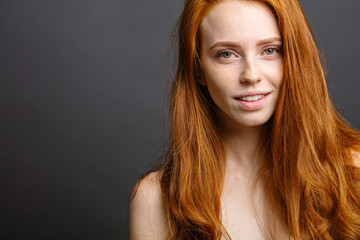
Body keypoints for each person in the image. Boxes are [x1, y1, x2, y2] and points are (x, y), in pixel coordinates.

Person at [129, 0, 360, 239]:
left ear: (294, 57)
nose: (251, 75)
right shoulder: (155, 200)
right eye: (226, 54)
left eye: (270, 50)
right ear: (198, 68)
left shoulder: (354, 171)